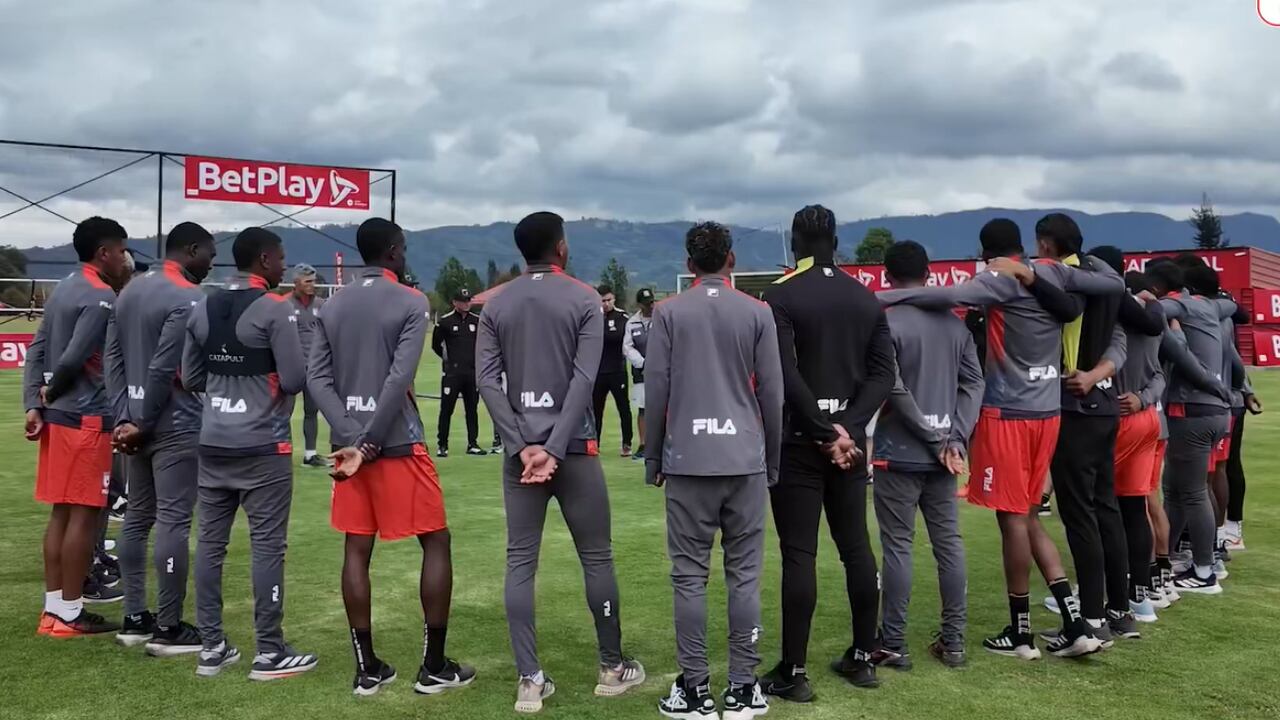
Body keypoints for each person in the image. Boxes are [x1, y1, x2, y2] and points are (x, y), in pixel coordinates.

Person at [880, 218, 1102, 659]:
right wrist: (956, 435)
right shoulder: (1053, 277)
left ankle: (1019, 634)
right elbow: (1108, 288)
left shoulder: (996, 283)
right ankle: (1072, 621)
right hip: (1047, 412)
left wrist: (879, 297)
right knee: (1022, 519)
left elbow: (947, 300)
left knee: (1007, 522)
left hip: (1005, 417)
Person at [476, 211, 644, 714]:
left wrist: (523, 445)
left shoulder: (497, 303)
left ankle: (530, 680)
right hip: (573, 449)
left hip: (522, 454)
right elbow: (582, 380)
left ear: (523, 251)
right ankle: (611, 668)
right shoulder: (583, 297)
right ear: (562, 248)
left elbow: (488, 381)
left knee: (520, 563)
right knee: (596, 557)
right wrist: (552, 447)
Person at [309, 218, 475, 696]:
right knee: (436, 541)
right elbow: (398, 379)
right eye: (402, 248)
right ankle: (435, 665)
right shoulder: (411, 299)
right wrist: (369, 444)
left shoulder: (331, 304)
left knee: (357, 548)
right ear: (394, 251)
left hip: (350, 446)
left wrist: (350, 438)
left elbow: (317, 380)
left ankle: (367, 668)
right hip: (396, 442)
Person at [647, 222, 783, 720]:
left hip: (688, 460)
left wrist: (654, 457)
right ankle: (743, 689)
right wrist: (770, 460)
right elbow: (773, 392)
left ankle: (696, 690)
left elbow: (656, 389)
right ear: (731, 260)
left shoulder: (668, 312)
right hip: (743, 459)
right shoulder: (757, 311)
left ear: (690, 265)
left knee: (689, 578)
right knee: (743, 577)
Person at [760, 205, 896, 700]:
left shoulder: (780, 295)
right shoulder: (865, 298)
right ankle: (863, 657)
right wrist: (849, 428)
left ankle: (793, 673)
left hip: (801, 441)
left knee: (800, 554)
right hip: (848, 445)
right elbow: (884, 372)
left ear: (795, 244)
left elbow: (783, 373)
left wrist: (823, 429)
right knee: (856, 546)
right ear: (835, 243)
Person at [182, 227, 318, 679]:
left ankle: (211, 646)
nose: (284, 266)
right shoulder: (276, 311)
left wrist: (228, 388)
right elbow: (297, 379)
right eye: (280, 259)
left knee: (210, 546)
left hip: (213, 441)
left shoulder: (203, 306)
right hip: (263, 446)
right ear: (264, 260)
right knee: (266, 548)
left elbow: (190, 375)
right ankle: (269, 652)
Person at [870, 241, 983, 670]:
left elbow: (893, 388)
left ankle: (894, 644)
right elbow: (975, 385)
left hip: (900, 452)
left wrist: (939, 439)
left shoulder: (887, 323)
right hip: (943, 457)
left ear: (886, 277)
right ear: (930, 274)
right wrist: (955, 438)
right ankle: (953, 642)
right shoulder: (955, 326)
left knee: (898, 547)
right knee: (948, 545)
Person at [1020, 225, 1136, 643]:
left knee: (1079, 514)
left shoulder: (1054, 276)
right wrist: (1100, 375)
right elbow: (1123, 338)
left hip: (1073, 406)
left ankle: (1090, 619)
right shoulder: (1106, 284)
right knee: (1106, 507)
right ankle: (1120, 611)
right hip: (1104, 406)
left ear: (1046, 245)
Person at [106, 222, 216, 654]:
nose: (210, 264)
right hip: (172, 424)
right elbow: (165, 368)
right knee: (172, 521)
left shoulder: (130, 288)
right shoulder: (189, 297)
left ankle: (134, 618)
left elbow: (114, 359)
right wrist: (144, 421)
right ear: (190, 250)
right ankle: (169, 627)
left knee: (137, 518)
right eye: (208, 254)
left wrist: (124, 418)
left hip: (134, 422)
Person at [27, 216, 130, 638]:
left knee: (61, 514)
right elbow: (71, 358)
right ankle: (70, 613)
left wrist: (35, 402)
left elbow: (37, 348)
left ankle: (54, 610)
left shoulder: (63, 288)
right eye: (122, 250)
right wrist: (52, 391)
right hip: (86, 418)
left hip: (59, 419)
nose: (125, 258)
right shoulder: (101, 295)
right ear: (104, 252)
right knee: (85, 517)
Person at [1145, 259, 1230, 594]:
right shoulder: (1210, 305)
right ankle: (1172, 559)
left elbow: (1153, 309)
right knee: (1179, 490)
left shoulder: (1180, 305)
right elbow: (1234, 306)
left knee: (1190, 491)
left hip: (1193, 407)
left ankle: (1205, 571)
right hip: (1211, 409)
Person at [1105, 263, 1167, 624]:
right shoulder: (1152, 324)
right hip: (1148, 419)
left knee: (1103, 509)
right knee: (1133, 507)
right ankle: (1140, 596)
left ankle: (1102, 594)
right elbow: (1159, 373)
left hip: (1119, 418)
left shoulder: (1113, 321)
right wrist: (1145, 398)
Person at [432, 288, 486, 457]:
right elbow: (436, 345)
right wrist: (448, 361)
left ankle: (473, 443)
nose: (466, 303)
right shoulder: (445, 322)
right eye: (463, 301)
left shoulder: (477, 321)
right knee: (447, 409)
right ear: (455, 302)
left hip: (471, 373)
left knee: (472, 409)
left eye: (468, 300)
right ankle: (442, 445)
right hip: (452, 374)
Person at [288, 263, 329, 468]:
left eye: (314, 281)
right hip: (290, 368)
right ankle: (281, 451)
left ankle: (310, 454)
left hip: (314, 367)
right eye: (308, 282)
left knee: (311, 410)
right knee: (283, 412)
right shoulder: (284, 304)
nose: (312, 285)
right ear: (296, 282)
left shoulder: (322, 305)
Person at [592, 285, 634, 456]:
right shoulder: (593, 316)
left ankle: (627, 444)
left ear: (614, 299)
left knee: (623, 408)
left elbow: (620, 338)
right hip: (598, 371)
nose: (606, 304)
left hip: (617, 370)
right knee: (596, 410)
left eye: (609, 300)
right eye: (603, 301)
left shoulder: (622, 317)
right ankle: (595, 444)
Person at [623, 287, 655, 460]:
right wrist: (642, 363)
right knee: (643, 409)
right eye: (646, 303)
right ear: (639, 305)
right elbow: (627, 347)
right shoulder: (632, 322)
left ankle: (664, 443)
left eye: (651, 302)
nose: (650, 306)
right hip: (641, 372)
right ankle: (643, 445)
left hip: (662, 371)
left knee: (664, 408)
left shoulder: (661, 318)